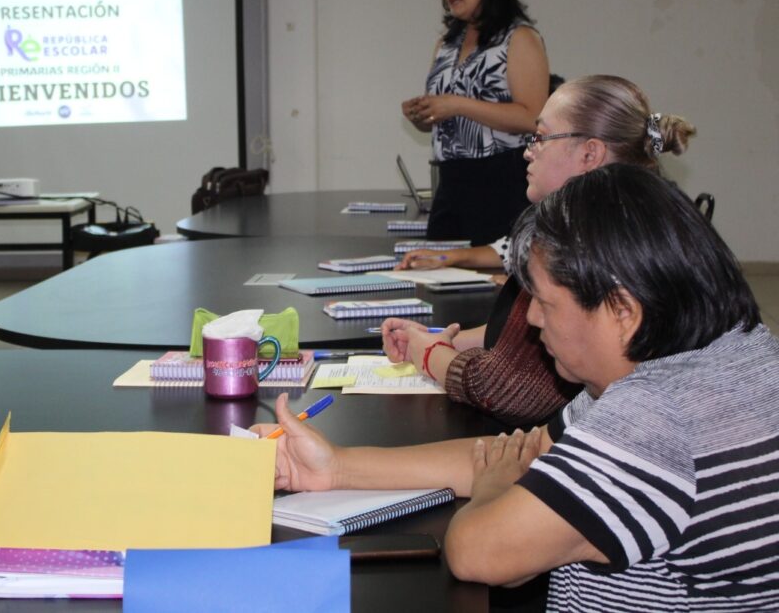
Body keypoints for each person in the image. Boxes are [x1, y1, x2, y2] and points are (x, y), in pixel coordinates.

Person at [255, 165, 779, 611]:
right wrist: (335, 467)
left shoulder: (655, 417)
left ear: (623, 311)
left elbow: (480, 551)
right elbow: (509, 455)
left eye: (546, 303)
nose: (530, 321)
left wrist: (494, 490)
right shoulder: (734, 353)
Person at [385, 74, 696, 425]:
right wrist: (442, 341)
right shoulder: (628, 217)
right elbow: (518, 338)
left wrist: (429, 355)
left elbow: (508, 389)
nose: (527, 150)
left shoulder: (587, 243)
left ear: (590, 153)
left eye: (540, 137)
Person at [401, 0, 549, 246]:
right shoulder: (445, 44)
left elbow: (534, 117)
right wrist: (424, 117)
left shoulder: (519, 37)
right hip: (452, 183)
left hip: (503, 182)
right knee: (438, 277)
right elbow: (446, 117)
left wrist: (455, 105)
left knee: (495, 285)